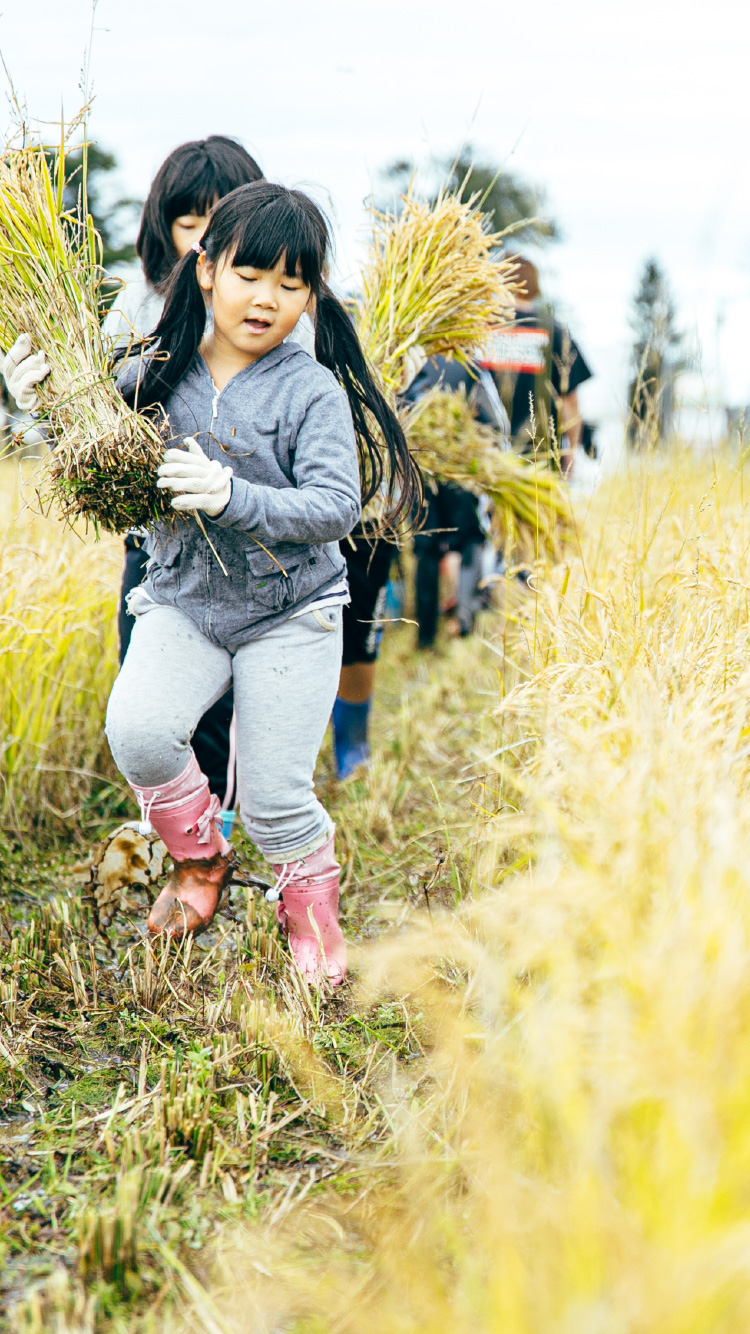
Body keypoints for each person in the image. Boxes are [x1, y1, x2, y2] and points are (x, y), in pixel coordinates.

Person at [100, 182, 419, 985]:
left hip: (291, 614)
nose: (266, 298)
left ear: (311, 295)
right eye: (249, 274)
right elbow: (86, 444)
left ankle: (312, 919)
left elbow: (336, 505)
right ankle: (200, 858)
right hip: (185, 603)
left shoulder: (309, 388)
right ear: (204, 270)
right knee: (139, 731)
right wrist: (36, 391)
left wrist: (233, 497)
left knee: (278, 797)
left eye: (291, 282)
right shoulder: (154, 373)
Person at [402, 355, 509, 649]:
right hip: (461, 471)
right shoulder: (471, 366)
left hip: (421, 472)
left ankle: (425, 638)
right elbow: (496, 422)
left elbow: (396, 412)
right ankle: (464, 624)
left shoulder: (411, 362)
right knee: (470, 542)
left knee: (426, 550)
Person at [479, 256, 592, 474]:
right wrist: (571, 451)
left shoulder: (478, 329)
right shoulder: (554, 332)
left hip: (483, 458)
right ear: (533, 285)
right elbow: (569, 400)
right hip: (540, 462)